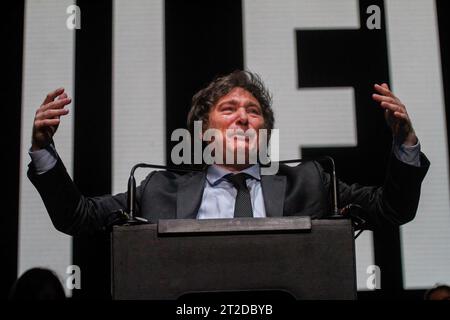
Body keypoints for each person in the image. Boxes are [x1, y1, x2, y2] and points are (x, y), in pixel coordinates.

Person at [28, 70, 429, 235]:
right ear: (203, 133)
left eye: (253, 112)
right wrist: (44, 150)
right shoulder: (157, 190)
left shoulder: (310, 182)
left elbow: (393, 209)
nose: (243, 118)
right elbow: (75, 217)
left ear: (264, 132)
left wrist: (405, 142)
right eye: (229, 109)